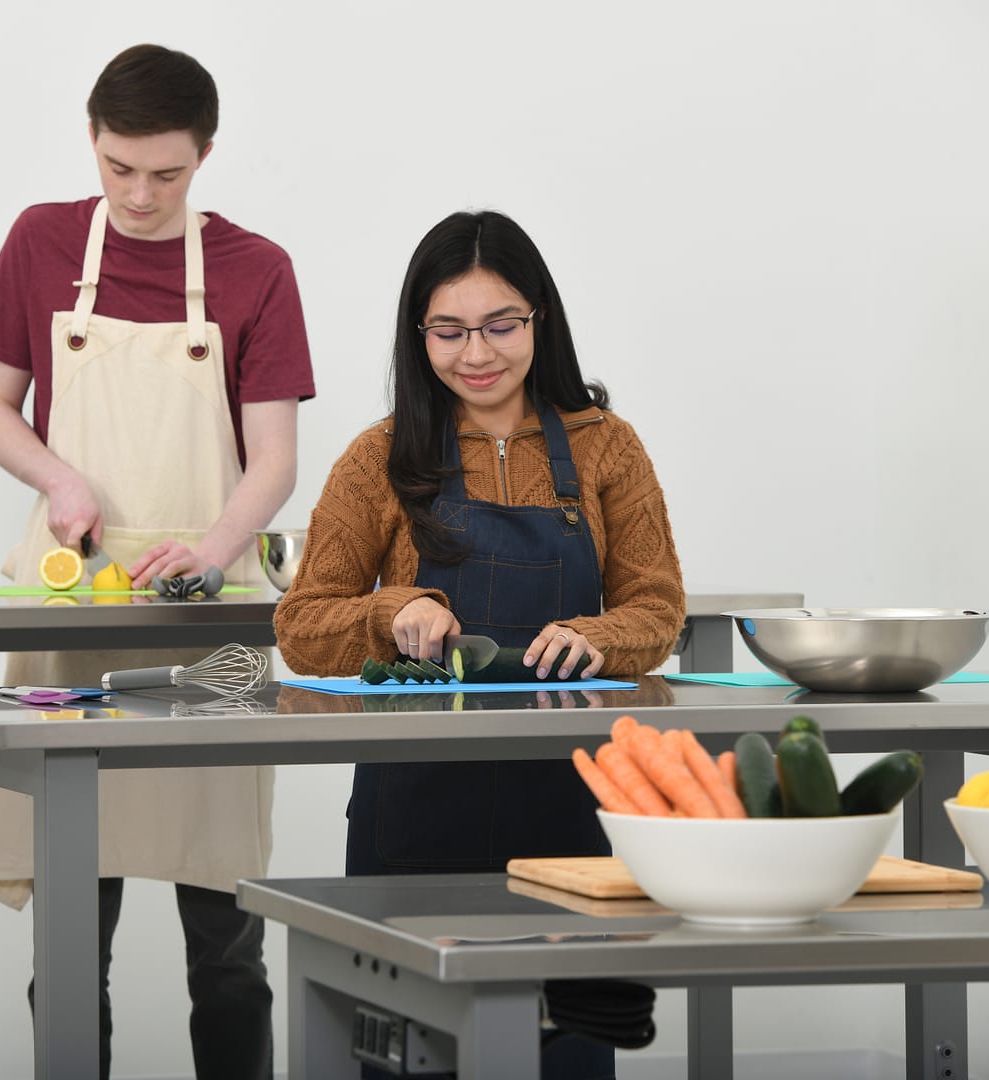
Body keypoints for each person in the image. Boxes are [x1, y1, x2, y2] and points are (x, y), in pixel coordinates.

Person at [0, 43, 314, 1078]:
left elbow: (276, 457)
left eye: (167, 173)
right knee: (70, 922)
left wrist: (211, 550)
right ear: (92, 140)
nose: (141, 194)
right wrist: (62, 482)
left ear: (205, 154)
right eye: (120, 169)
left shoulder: (257, 269)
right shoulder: (39, 242)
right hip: (69, 614)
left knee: (227, 929)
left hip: (209, 620)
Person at [273, 209, 684, 1078]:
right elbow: (302, 624)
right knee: (408, 1050)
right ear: (417, 333)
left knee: (566, 1048)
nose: (476, 353)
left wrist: (598, 634)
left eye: (501, 325)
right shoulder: (378, 456)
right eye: (449, 331)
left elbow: (657, 609)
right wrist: (395, 611)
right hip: (413, 810)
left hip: (570, 807)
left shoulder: (608, 449)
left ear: (541, 318)